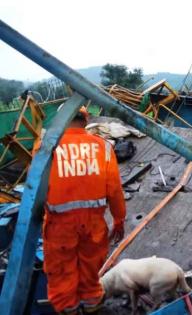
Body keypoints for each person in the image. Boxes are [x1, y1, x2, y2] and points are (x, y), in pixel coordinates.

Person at [41, 106, 126, 315]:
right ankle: (92, 307)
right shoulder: (103, 147)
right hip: (93, 224)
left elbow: (35, 189)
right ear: (86, 121)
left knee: (61, 274)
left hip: (58, 225)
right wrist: (119, 219)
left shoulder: (45, 147)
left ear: (61, 120)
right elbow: (114, 189)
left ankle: (68, 310)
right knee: (90, 272)